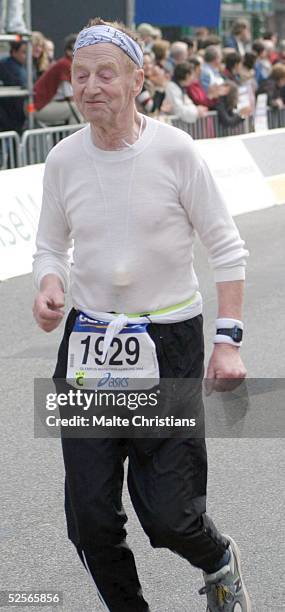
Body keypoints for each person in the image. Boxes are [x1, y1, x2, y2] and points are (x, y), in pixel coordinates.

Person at [33, 16, 251, 612]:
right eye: (80, 75)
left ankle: (218, 560)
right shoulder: (63, 160)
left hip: (168, 340)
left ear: (137, 81)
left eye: (107, 74)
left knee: (172, 517)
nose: (90, 86)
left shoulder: (176, 151)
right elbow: (50, 247)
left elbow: (227, 248)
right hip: (88, 344)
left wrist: (228, 342)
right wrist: (50, 285)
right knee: (93, 520)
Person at [34, 34, 82, 126]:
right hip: (39, 107)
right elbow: (70, 95)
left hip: (48, 104)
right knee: (77, 108)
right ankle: (75, 140)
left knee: (81, 107)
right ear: (68, 51)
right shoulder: (65, 65)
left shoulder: (68, 64)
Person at [0, 40, 27, 133]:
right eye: (23, 52)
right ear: (14, 52)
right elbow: (22, 83)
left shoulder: (20, 66)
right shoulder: (8, 66)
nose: (26, 56)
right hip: (11, 114)